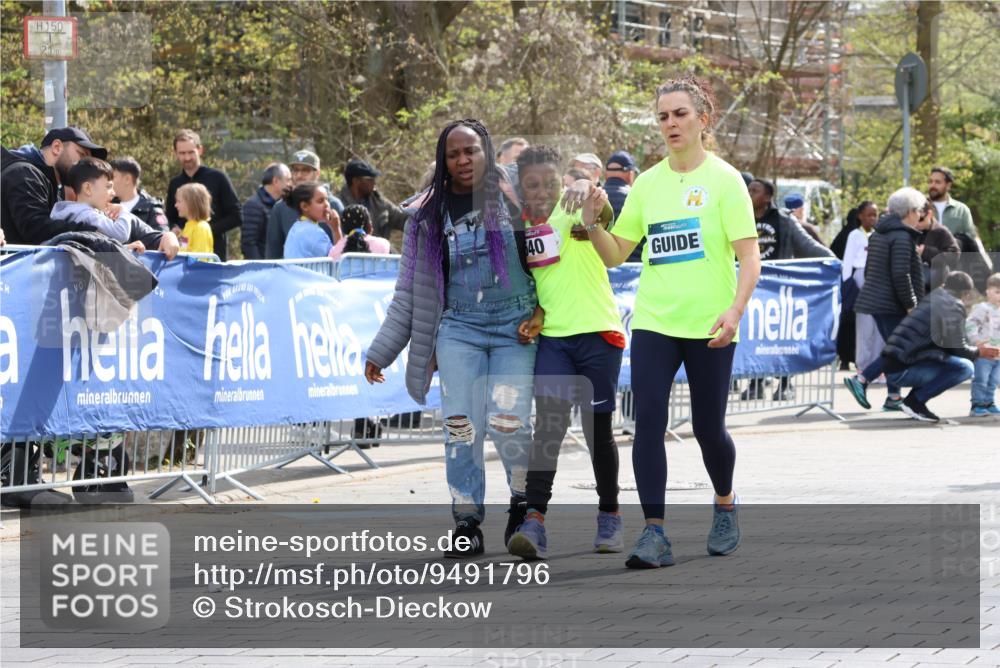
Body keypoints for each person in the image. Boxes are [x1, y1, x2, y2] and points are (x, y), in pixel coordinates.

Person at [573, 77, 761, 568]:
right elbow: (617, 255)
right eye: (663, 116)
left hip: (710, 323)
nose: (671, 124)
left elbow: (749, 256)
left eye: (680, 114)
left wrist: (735, 310)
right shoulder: (649, 184)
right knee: (647, 422)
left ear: (703, 119)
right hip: (656, 320)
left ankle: (724, 501)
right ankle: (654, 532)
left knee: (707, 427)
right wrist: (594, 224)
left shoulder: (725, 180)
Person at [365, 119, 537, 558]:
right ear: (443, 161)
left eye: (472, 151)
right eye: (453, 154)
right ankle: (466, 520)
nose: (463, 160)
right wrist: (381, 352)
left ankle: (523, 507)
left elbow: (558, 243)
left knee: (508, 420)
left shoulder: (519, 195)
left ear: (488, 151)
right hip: (459, 328)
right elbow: (409, 291)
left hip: (515, 327)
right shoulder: (424, 215)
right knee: (460, 426)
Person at [503, 145, 621, 560]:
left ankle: (609, 515)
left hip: (599, 336)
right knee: (548, 431)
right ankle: (534, 523)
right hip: (555, 339)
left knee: (597, 434)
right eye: (530, 183)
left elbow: (601, 213)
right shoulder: (520, 231)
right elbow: (542, 283)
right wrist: (537, 313)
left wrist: (590, 186)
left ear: (561, 181)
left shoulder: (573, 204)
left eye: (548, 181)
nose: (540, 189)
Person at [742, 177, 833, 401]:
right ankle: (755, 383)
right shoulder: (740, 217)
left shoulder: (783, 220)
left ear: (767, 198)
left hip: (776, 288)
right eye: (748, 189)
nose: (749, 193)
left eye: (754, 190)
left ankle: (785, 383)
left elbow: (807, 245)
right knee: (754, 337)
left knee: (779, 339)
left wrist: (832, 261)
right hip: (749, 286)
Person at [845, 187, 927, 412]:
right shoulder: (901, 236)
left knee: (894, 348)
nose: (920, 215)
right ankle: (862, 380)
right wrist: (911, 304)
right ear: (910, 211)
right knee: (899, 350)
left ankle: (893, 396)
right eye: (919, 210)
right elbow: (901, 273)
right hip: (892, 303)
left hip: (879, 301)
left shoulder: (881, 232)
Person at [882, 271, 999, 422]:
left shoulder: (934, 300)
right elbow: (958, 346)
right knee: (967, 369)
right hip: (903, 369)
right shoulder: (954, 306)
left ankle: (913, 401)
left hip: (899, 367)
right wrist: (978, 349)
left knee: (990, 378)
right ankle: (916, 401)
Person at [1, 126, 107, 245]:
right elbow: (36, 229)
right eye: (82, 155)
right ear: (57, 147)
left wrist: (102, 217)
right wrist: (97, 230)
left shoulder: (49, 183)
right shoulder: (24, 174)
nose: (85, 167)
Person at [164, 129, 242, 261]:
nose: (187, 158)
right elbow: (170, 218)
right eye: (182, 153)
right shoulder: (175, 184)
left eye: (191, 152)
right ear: (175, 153)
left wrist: (203, 230)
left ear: (200, 150)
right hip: (183, 254)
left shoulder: (218, 178)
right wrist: (176, 231)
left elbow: (237, 216)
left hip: (214, 253)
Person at [264, 149, 342, 259]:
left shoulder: (334, 205)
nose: (299, 175)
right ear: (304, 207)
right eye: (295, 170)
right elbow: (273, 251)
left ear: (317, 173)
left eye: (305, 170)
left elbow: (345, 249)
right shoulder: (280, 207)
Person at [48, 157, 133, 244]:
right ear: (88, 188)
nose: (113, 193)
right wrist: (123, 210)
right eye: (108, 187)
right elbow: (121, 234)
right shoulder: (89, 216)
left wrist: (126, 248)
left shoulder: (70, 213)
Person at [840, 202, 881, 373]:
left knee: (878, 325)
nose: (872, 218)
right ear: (860, 216)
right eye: (869, 215)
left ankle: (878, 365)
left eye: (875, 215)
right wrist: (848, 284)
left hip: (877, 277)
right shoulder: (855, 235)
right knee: (864, 324)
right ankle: (863, 364)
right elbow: (848, 260)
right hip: (860, 277)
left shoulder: (879, 235)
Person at [337, 158, 409, 251]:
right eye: (370, 179)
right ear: (356, 181)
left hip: (380, 256)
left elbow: (402, 219)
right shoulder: (339, 205)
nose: (374, 182)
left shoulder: (379, 202)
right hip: (353, 259)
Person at [967, 273, 1000, 416]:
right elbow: (970, 323)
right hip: (984, 352)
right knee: (981, 378)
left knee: (994, 380)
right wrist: (976, 340)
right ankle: (977, 405)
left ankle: (989, 402)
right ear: (988, 291)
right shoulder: (982, 307)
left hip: (998, 353)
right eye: (997, 292)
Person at [241, 162, 290, 259]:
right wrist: (260, 268)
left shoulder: (283, 205)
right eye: (288, 180)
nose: (290, 184)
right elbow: (249, 243)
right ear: (276, 181)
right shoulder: (253, 206)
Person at [110, 156, 168, 232]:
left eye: (112, 177)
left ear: (127, 179)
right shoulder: (108, 204)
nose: (109, 181)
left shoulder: (151, 208)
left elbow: (162, 236)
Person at [282, 182, 335, 259]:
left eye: (327, 199)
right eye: (320, 201)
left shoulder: (295, 227)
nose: (327, 204)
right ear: (305, 206)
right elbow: (336, 261)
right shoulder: (315, 232)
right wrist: (336, 230)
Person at [916, 203, 960, 290]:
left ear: (929, 214)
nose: (917, 223)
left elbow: (954, 255)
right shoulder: (911, 229)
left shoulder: (941, 232)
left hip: (935, 285)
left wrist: (926, 251)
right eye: (915, 219)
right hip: (915, 283)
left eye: (920, 219)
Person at [174, 183, 214, 254]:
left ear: (191, 203)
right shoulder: (188, 226)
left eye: (179, 201)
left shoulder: (201, 228)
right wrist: (177, 237)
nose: (175, 205)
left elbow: (200, 259)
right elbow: (184, 248)